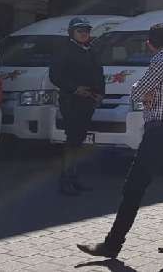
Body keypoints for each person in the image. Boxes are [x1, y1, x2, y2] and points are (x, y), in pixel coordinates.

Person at [78, 23, 163, 259]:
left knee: (133, 189)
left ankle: (112, 245)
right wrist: (152, 94)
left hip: (158, 135)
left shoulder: (160, 62)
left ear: (150, 44)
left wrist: (146, 93)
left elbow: (136, 91)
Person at [49, 17, 104, 196]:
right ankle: (65, 181)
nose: (84, 34)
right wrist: (75, 89)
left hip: (88, 101)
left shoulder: (91, 50)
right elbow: (55, 76)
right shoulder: (65, 51)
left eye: (86, 31)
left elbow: (99, 73)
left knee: (79, 141)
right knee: (72, 141)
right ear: (72, 33)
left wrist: (100, 93)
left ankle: (74, 178)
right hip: (71, 101)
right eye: (80, 31)